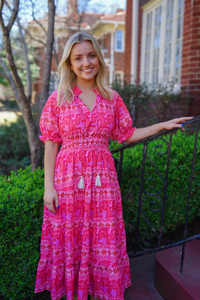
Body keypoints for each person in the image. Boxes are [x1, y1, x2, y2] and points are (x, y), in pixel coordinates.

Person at [34, 32, 192, 300]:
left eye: (91, 55)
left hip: (102, 182)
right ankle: (73, 291)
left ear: (99, 58)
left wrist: (161, 125)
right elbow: (51, 144)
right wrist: (49, 187)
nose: (86, 62)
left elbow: (126, 133)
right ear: (69, 64)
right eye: (79, 58)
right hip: (69, 180)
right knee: (70, 237)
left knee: (101, 235)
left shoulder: (111, 97)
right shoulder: (58, 98)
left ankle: (97, 292)